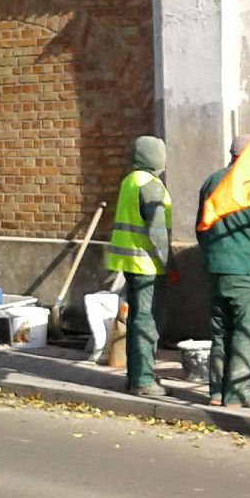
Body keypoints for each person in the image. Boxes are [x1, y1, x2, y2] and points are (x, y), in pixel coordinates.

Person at [195, 134, 250, 407]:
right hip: (246, 272)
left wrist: (212, 258)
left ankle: (217, 393)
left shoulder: (210, 181)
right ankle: (238, 394)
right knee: (246, 332)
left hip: (216, 271)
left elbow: (201, 226)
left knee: (221, 332)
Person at [105, 136, 173, 397]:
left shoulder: (130, 181)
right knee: (146, 321)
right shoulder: (151, 186)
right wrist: (168, 263)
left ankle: (136, 375)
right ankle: (143, 380)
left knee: (136, 319)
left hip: (130, 261)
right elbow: (157, 233)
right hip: (147, 264)